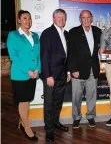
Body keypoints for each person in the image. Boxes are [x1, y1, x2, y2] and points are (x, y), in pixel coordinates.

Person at [7, 10, 40, 141]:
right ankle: (27, 128)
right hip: (20, 74)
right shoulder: (14, 35)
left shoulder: (36, 36)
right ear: (19, 20)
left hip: (33, 74)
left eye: (30, 19)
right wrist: (28, 70)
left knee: (27, 100)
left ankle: (22, 122)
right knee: (23, 101)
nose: (28, 21)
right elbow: (14, 57)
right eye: (25, 18)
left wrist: (38, 69)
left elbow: (38, 55)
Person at [40, 9, 71, 142]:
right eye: (58, 17)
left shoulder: (67, 34)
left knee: (58, 103)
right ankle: (49, 130)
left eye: (63, 17)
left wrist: (68, 72)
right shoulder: (47, 33)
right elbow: (44, 56)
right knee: (49, 104)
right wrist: (48, 76)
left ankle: (56, 122)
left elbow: (68, 56)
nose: (61, 19)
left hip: (63, 75)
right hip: (51, 77)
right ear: (53, 19)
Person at [68, 10, 102, 129]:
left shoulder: (98, 31)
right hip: (77, 71)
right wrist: (73, 69)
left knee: (92, 95)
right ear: (80, 19)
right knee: (76, 96)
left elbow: (102, 49)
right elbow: (70, 53)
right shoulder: (73, 32)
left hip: (93, 69)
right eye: (83, 17)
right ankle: (76, 118)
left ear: (92, 18)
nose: (86, 20)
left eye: (88, 17)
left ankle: (91, 116)